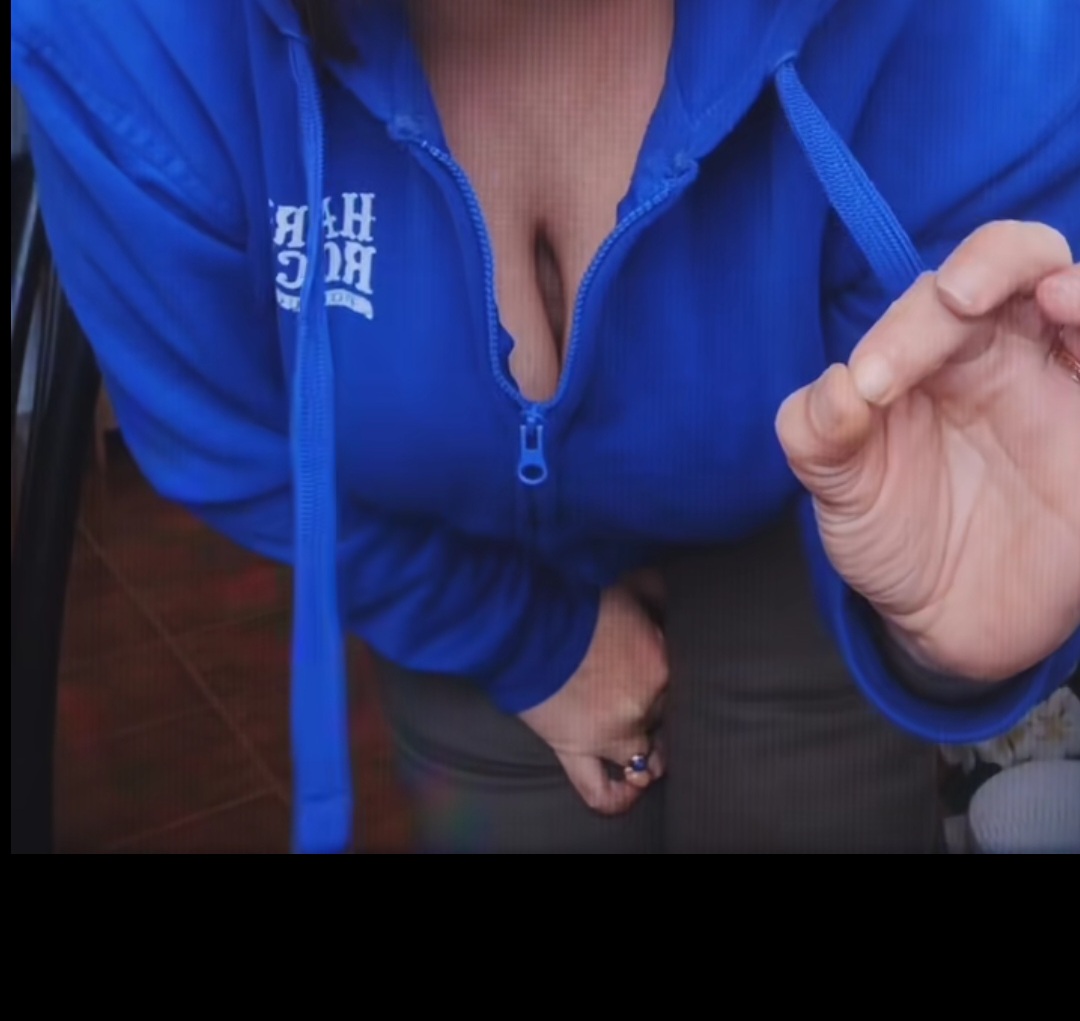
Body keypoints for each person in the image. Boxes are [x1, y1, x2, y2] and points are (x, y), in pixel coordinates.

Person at [11, 0, 1079, 854]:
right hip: (433, 532)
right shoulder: (123, 34)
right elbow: (226, 439)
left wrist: (957, 632)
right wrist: (520, 639)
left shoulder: (979, 28)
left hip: (809, 528)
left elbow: (988, 490)